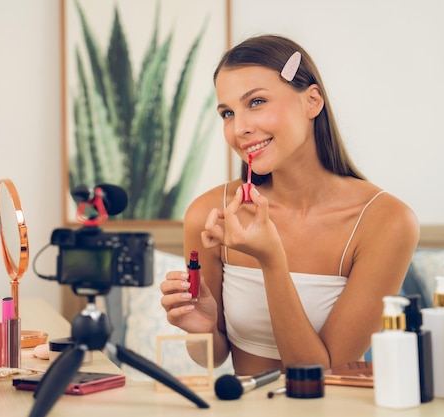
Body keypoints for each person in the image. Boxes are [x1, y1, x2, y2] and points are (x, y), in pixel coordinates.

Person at [159, 34, 419, 376]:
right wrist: (202, 328)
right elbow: (214, 356)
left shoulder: (386, 222)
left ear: (312, 101)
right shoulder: (211, 213)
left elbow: (322, 374)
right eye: (227, 113)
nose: (240, 128)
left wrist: (272, 261)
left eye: (256, 102)